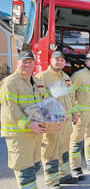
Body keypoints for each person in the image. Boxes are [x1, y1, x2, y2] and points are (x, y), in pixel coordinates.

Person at [0, 51, 48, 189]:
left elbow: (43, 103)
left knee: (35, 166)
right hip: (18, 134)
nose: (27, 65)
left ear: (34, 64)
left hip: (35, 133)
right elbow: (10, 109)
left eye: (30, 62)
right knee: (25, 171)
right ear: (17, 63)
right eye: (24, 62)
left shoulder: (37, 82)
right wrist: (29, 123)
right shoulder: (9, 83)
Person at [36, 51, 80, 188]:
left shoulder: (66, 77)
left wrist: (75, 113)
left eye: (62, 60)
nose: (59, 62)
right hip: (52, 123)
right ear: (51, 60)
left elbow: (72, 98)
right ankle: (51, 181)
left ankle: (64, 175)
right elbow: (37, 101)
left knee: (64, 149)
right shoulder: (41, 77)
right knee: (50, 151)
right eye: (56, 60)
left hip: (66, 122)